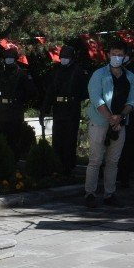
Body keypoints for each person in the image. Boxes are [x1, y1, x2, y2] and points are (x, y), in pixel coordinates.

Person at [84, 40, 134, 208]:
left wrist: (120, 117)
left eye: (120, 55)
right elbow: (96, 99)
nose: (117, 57)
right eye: (114, 54)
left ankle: (109, 194)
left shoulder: (130, 76)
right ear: (108, 55)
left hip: (119, 124)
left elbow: (132, 100)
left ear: (125, 57)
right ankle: (90, 194)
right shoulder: (99, 74)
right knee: (95, 160)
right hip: (100, 122)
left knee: (113, 161)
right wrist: (110, 117)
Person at [42, 45, 89, 175]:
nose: (63, 60)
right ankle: (57, 166)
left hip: (71, 109)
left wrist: (75, 100)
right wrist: (44, 109)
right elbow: (50, 91)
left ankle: (68, 167)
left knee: (69, 139)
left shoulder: (78, 71)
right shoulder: (56, 71)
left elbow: (85, 92)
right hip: (58, 109)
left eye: (66, 57)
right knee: (57, 139)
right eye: (62, 57)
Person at [0, 46, 38, 159]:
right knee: (3, 139)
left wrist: (20, 101)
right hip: (3, 110)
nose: (8, 60)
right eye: (6, 58)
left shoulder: (22, 74)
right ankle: (5, 165)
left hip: (15, 110)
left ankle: (14, 165)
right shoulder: (2, 74)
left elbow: (32, 92)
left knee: (14, 140)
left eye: (10, 58)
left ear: (15, 59)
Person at [116, 45, 134, 189]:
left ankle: (125, 175)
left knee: (127, 143)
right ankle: (114, 172)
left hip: (132, 112)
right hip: (116, 111)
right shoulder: (115, 69)